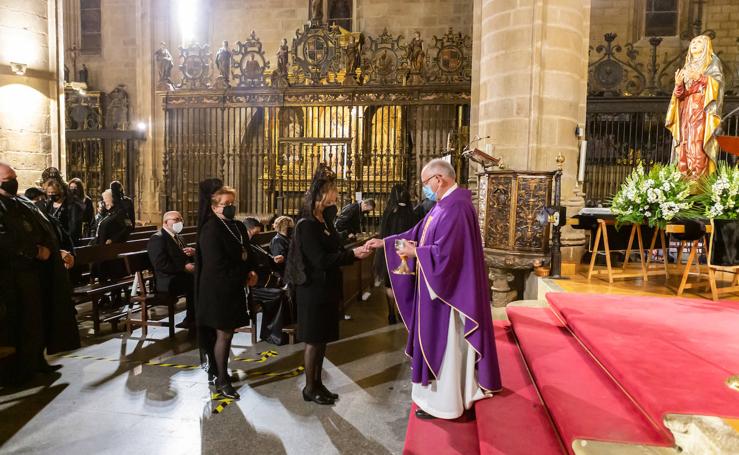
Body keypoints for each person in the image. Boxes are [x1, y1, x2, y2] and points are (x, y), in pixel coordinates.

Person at [365, 158, 502, 420]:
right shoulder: (444, 205)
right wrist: (385, 243)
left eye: (426, 183)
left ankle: (446, 404)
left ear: (439, 179)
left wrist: (415, 252)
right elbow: (418, 232)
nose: (424, 189)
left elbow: (450, 256)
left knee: (448, 346)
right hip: (436, 291)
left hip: (448, 296)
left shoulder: (457, 207)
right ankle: (439, 399)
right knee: (441, 344)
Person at [287, 165, 371, 405]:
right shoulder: (306, 225)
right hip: (312, 290)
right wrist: (353, 255)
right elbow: (320, 260)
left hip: (326, 288)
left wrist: (355, 250)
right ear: (323, 193)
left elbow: (335, 248)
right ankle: (309, 387)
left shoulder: (324, 220)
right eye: (334, 191)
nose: (337, 195)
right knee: (314, 340)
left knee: (322, 338)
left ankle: (319, 384)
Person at [0, 162, 80, 384]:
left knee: (36, 318)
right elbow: (4, 240)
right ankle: (18, 369)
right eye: (9, 179)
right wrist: (33, 251)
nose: (14, 182)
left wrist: (57, 251)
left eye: (14, 177)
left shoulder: (20, 202)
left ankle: (36, 360)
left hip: (33, 273)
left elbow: (44, 228)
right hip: (11, 275)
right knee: (16, 323)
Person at [197, 186, 258, 399]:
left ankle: (221, 373)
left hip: (234, 286)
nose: (231, 207)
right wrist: (243, 272)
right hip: (217, 289)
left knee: (229, 332)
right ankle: (222, 380)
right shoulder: (210, 229)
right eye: (226, 204)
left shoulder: (238, 226)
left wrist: (251, 270)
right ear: (214, 207)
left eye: (233, 203)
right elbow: (216, 264)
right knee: (224, 333)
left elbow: (247, 252)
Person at [666, 34, 724, 179]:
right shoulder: (688, 65)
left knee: (697, 143)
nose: (694, 44)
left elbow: (718, 83)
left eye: (699, 42)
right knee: (685, 142)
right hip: (686, 111)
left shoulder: (712, 62)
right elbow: (681, 95)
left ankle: (698, 179)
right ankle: (684, 176)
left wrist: (699, 78)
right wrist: (678, 85)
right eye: (693, 42)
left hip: (702, 110)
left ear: (706, 46)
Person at [374, 184, 417, 325]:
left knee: (389, 283)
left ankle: (391, 313)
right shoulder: (412, 212)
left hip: (390, 249)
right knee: (404, 282)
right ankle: (401, 311)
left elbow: (383, 233)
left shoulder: (389, 212)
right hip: (406, 250)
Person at [147, 211, 196, 330]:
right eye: (176, 220)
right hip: (167, 280)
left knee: (200, 278)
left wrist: (193, 254)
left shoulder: (178, 237)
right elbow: (161, 265)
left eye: (181, 220)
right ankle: (191, 319)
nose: (179, 222)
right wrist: (184, 268)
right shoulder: (158, 238)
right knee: (196, 281)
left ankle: (195, 318)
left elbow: (183, 257)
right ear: (165, 222)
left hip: (178, 276)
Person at [44, 178, 83, 245]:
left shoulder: (71, 205)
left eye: (53, 192)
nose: (51, 195)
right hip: (53, 241)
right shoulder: (49, 204)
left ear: (60, 191)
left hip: (67, 242)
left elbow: (74, 227)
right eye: (49, 193)